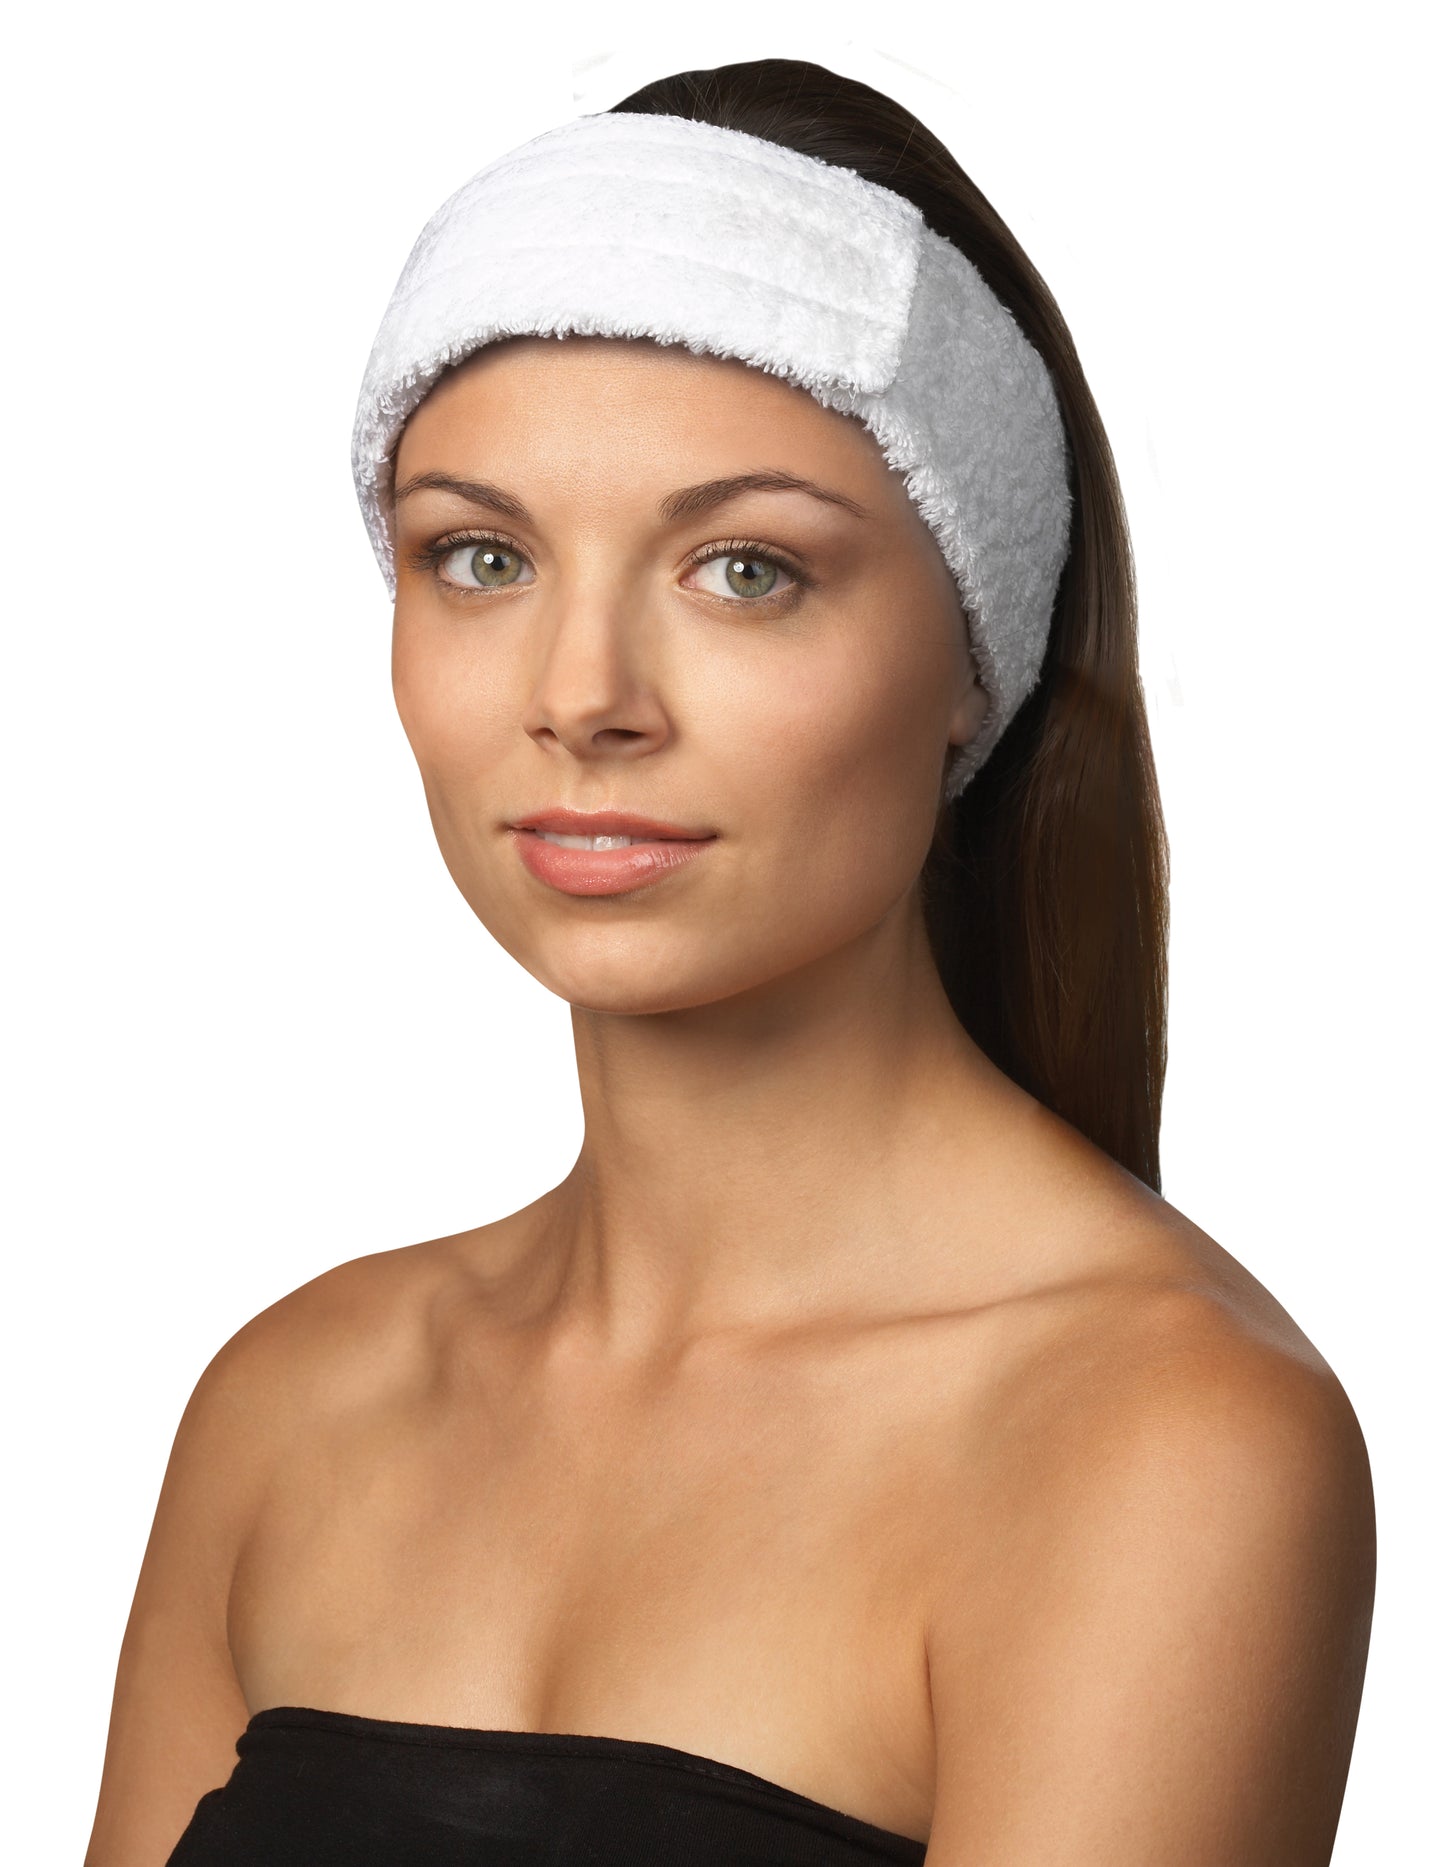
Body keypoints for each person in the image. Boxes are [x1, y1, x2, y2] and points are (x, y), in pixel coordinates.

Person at [84, 57, 1375, 1867]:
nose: (582, 696)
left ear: (970, 659)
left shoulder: (1154, 1441)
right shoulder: (295, 1402)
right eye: (480, 557)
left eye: (745, 570)